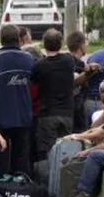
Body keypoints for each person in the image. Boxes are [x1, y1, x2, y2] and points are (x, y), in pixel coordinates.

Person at [0, 24, 36, 177]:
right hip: (23, 114)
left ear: (1, 40)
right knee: (21, 150)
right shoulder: (28, 58)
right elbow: (37, 77)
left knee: (1, 149)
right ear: (18, 40)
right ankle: (21, 183)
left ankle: (1, 182)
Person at [32, 29, 78, 159]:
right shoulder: (69, 60)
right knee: (66, 151)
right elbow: (85, 67)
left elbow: (32, 81)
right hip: (67, 114)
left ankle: (49, 177)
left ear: (44, 44)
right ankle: (63, 177)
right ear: (61, 44)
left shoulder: (40, 65)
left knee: (49, 151)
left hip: (48, 115)